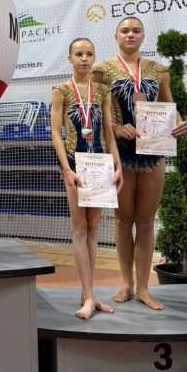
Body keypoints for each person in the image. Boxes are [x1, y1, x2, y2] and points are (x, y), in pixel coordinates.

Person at [92, 17, 187, 310]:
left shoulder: (158, 70)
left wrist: (178, 123)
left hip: (152, 150)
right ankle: (126, 283)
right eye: (125, 30)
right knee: (123, 220)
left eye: (136, 31)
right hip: (119, 151)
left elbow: (168, 105)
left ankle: (144, 288)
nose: (130, 35)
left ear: (143, 36)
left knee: (145, 221)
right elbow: (95, 110)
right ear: (116, 35)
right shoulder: (102, 70)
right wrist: (116, 128)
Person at [51, 38, 123, 319]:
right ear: (70, 58)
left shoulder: (103, 91)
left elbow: (108, 131)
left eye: (89, 54)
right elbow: (56, 133)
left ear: (94, 57)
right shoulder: (61, 90)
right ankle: (89, 295)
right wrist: (66, 169)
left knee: (94, 229)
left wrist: (117, 165)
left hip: (100, 164)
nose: (84, 58)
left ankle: (89, 294)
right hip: (75, 164)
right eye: (79, 54)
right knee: (80, 228)